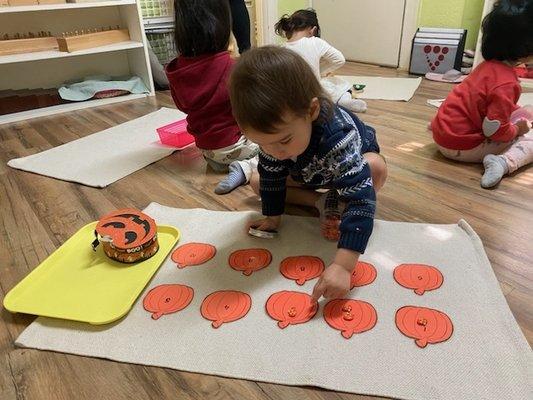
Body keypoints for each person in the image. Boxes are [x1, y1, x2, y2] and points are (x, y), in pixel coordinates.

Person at [229, 46, 387, 301]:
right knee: (259, 181)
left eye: (283, 140)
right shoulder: (276, 142)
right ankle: (322, 201)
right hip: (310, 171)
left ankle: (339, 197)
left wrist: (344, 266)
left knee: (375, 167)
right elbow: (272, 175)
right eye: (261, 142)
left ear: (312, 111)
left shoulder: (337, 136)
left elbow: (362, 198)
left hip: (345, 165)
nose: (274, 151)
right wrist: (272, 218)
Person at [430, 0, 533, 188]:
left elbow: (483, 102)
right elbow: (493, 130)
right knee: (530, 140)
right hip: (460, 146)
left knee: (526, 111)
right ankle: (502, 162)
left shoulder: (486, 67)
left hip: (442, 134)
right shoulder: (507, 83)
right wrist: (518, 130)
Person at [165, 0, 258, 176]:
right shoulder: (231, 67)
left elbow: (183, 106)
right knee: (282, 145)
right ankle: (245, 170)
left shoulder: (177, 70)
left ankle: (236, 166)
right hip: (239, 147)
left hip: (208, 153)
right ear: (223, 23)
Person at [275, 8, 367, 113]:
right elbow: (339, 60)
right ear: (313, 30)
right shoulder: (315, 42)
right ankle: (342, 101)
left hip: (293, 97)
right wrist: (321, 70)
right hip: (314, 94)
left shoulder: (281, 49)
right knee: (340, 84)